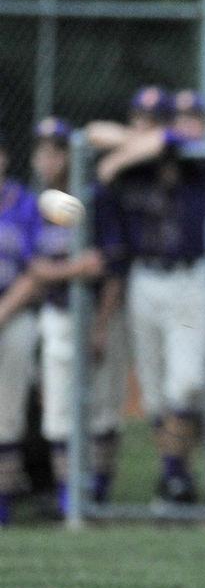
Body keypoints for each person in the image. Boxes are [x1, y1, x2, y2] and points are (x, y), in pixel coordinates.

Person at [87, 87, 205, 504]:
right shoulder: (137, 170)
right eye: (137, 118)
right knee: (156, 392)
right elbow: (93, 131)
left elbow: (174, 141)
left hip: (187, 278)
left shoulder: (190, 158)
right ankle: (174, 477)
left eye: (152, 120)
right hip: (144, 278)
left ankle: (176, 475)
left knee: (188, 383)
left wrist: (121, 155)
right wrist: (130, 151)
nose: (144, 126)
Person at [27, 116, 128, 513]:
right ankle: (71, 497)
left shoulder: (97, 197)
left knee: (103, 406)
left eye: (57, 150)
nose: (48, 159)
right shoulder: (40, 201)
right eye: (43, 151)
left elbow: (112, 268)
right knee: (58, 411)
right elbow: (36, 268)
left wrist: (102, 326)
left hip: (99, 314)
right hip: (59, 314)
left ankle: (98, 492)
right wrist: (74, 269)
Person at [0, 130, 42, 526]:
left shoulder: (24, 203)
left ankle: (3, 506)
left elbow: (37, 268)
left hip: (13, 313)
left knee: (6, 413)